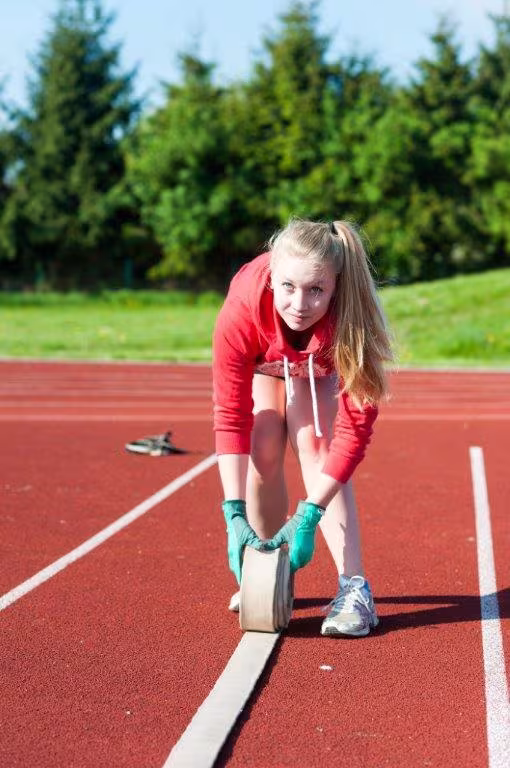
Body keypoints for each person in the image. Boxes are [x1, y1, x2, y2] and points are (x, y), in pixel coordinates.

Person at [212, 218, 393, 637]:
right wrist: (231, 511)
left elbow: (353, 435)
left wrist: (311, 513)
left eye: (316, 290)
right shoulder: (241, 309)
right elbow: (230, 414)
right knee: (264, 443)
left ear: (336, 285)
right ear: (272, 276)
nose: (299, 304)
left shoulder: (354, 317)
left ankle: (355, 588)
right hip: (266, 359)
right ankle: (265, 565)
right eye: (289, 286)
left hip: (322, 360)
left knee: (316, 443)